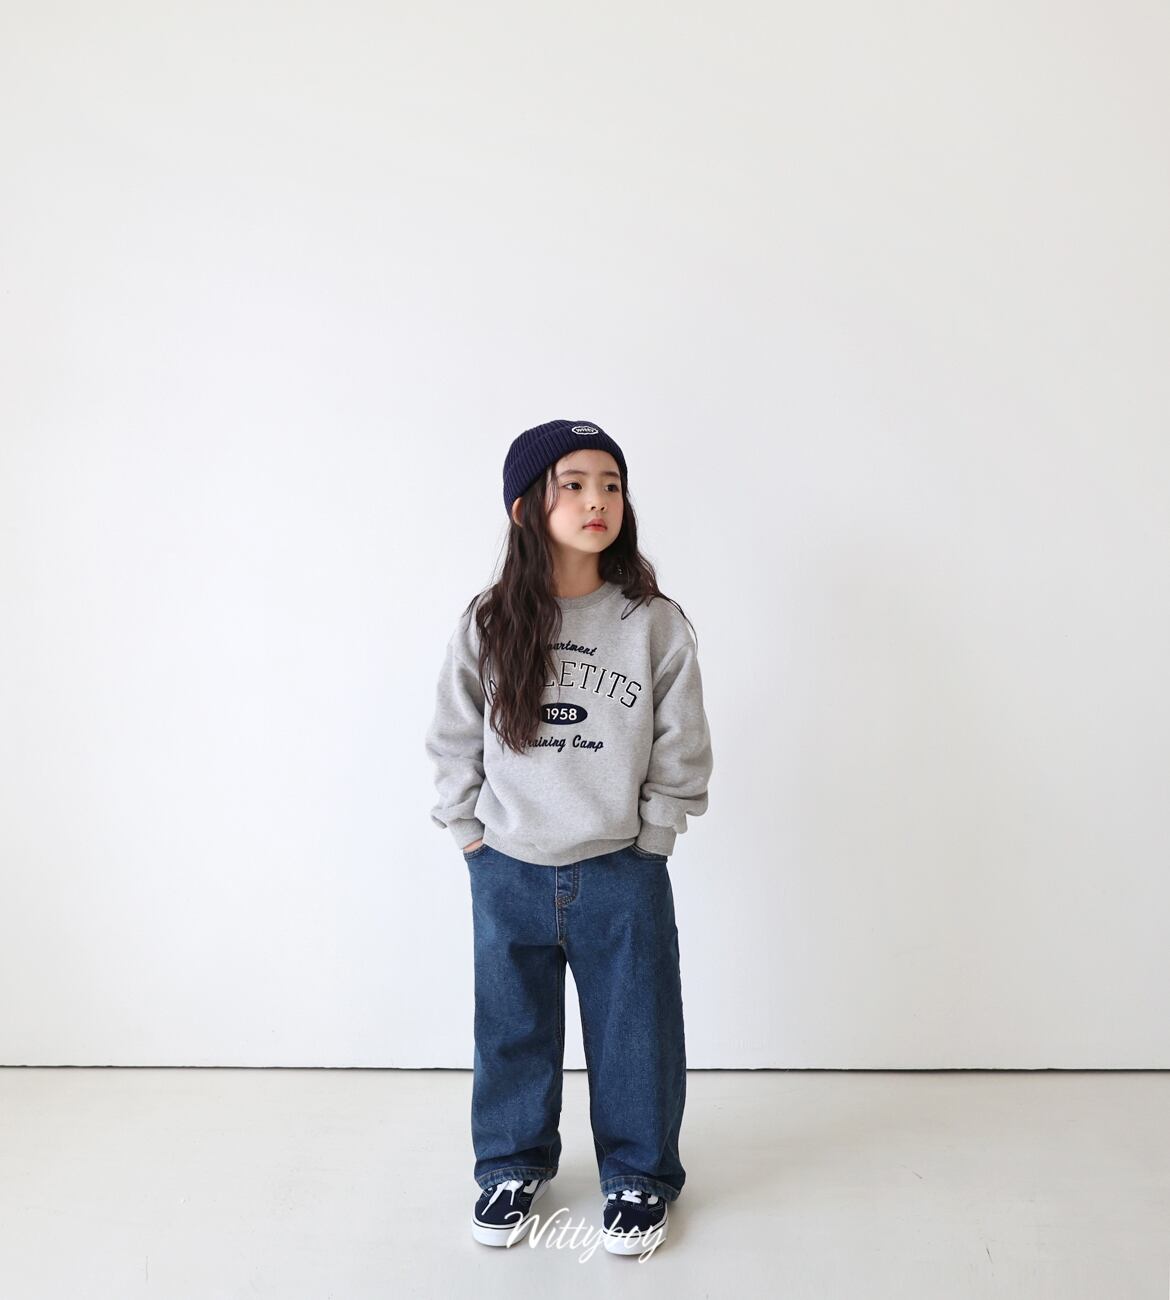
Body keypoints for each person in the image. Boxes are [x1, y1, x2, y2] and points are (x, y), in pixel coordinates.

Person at [424, 418, 714, 1255]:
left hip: (621, 867)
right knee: (511, 1027)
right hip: (507, 865)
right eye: (575, 484)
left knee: (637, 1031)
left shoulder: (651, 622)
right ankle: (511, 1163)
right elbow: (453, 735)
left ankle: (639, 1174)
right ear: (527, 507)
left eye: (611, 485)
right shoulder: (490, 622)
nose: (598, 501)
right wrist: (468, 832)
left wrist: (655, 835)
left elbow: (682, 740)